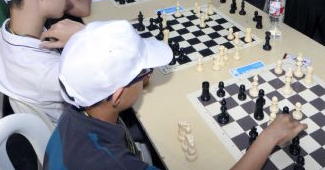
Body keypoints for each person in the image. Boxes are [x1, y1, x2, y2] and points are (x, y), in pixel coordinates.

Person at [43, 20, 306, 170]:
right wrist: (268, 138)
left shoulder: (70, 119)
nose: (149, 77)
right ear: (118, 95)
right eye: (144, 73)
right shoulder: (113, 165)